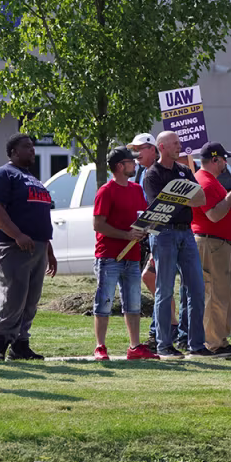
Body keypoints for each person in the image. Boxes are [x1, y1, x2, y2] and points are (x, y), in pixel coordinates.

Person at [0, 133, 57, 361]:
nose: (32, 150)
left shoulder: (32, 178)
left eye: (33, 147)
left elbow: (39, 214)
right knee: (13, 296)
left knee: (30, 299)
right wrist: (17, 235)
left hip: (36, 246)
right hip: (10, 244)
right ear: (13, 152)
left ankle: (20, 345)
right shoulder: (2, 174)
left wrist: (48, 249)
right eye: (27, 147)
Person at [141, 130, 212, 358]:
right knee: (164, 290)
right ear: (161, 147)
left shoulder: (184, 170)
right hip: (164, 235)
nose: (179, 146)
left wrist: (175, 196)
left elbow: (200, 199)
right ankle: (164, 344)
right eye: (174, 143)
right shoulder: (152, 174)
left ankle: (197, 345)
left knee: (197, 289)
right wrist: (183, 197)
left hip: (186, 234)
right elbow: (160, 206)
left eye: (179, 142)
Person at [91, 146, 156, 360]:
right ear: (120, 166)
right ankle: (100, 347)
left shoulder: (136, 189)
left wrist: (145, 230)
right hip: (109, 256)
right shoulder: (106, 191)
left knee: (134, 302)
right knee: (105, 301)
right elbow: (98, 225)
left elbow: (142, 218)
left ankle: (135, 347)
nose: (135, 163)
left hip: (132, 256)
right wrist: (125, 235)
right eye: (131, 161)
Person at [191, 141, 231, 355]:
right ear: (215, 160)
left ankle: (220, 341)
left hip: (218, 245)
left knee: (223, 294)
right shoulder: (205, 182)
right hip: (212, 243)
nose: (225, 163)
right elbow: (213, 215)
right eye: (223, 159)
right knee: (214, 294)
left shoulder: (210, 181)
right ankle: (213, 343)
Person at [128, 132, 171, 350]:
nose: (135, 153)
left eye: (140, 149)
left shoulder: (159, 173)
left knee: (153, 279)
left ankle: (163, 331)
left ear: (153, 149)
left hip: (162, 235)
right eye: (134, 149)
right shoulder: (142, 174)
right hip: (148, 237)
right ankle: (167, 328)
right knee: (157, 281)